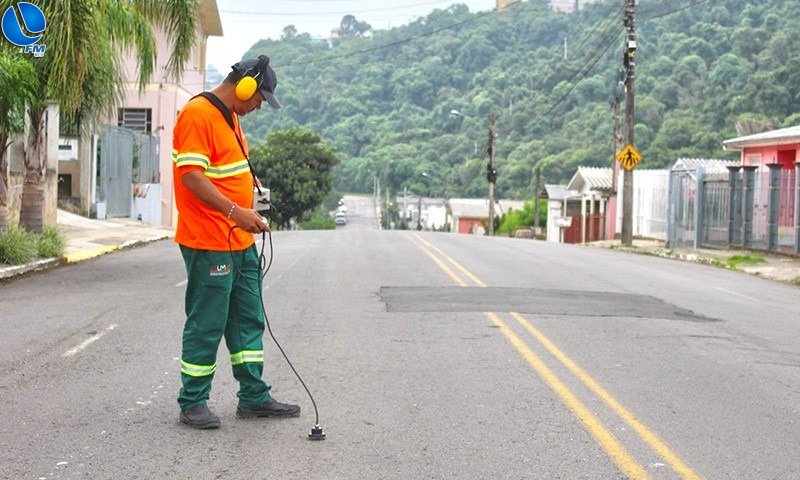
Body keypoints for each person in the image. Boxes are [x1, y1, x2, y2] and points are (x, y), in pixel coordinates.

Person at [172, 55, 300, 429]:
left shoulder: (229, 117)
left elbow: (230, 170)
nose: (259, 106)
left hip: (238, 239)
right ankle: (192, 401)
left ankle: (253, 396)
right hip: (209, 238)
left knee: (248, 317)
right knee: (207, 321)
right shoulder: (198, 115)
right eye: (259, 98)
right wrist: (235, 212)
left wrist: (254, 202)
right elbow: (192, 177)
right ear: (244, 87)